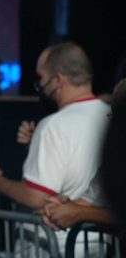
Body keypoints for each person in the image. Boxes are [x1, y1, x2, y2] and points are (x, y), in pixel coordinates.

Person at [0, 42, 110, 258]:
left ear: (58, 80)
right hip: (97, 248)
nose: (40, 85)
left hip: (51, 254)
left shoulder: (54, 126)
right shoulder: (110, 116)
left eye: (41, 77)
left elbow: (37, 197)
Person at [40, 78, 125, 230]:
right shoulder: (115, 158)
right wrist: (62, 207)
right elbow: (90, 201)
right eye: (115, 118)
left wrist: (80, 213)